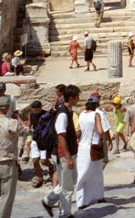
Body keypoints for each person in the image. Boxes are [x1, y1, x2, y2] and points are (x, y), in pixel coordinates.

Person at [42, 84, 81, 217]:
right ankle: (65, 214)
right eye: (77, 97)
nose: (79, 99)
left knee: (70, 181)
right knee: (67, 188)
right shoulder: (63, 114)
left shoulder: (67, 111)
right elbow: (61, 137)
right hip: (64, 155)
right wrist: (68, 157)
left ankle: (49, 200)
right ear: (70, 98)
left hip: (68, 154)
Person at [0, 95, 29, 218]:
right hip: (7, 164)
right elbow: (27, 131)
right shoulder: (12, 123)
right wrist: (18, 118)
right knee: (6, 196)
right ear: (8, 108)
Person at [76, 96, 105, 210]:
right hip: (94, 146)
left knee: (84, 172)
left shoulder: (81, 114)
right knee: (97, 172)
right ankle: (97, 196)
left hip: (83, 146)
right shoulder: (96, 115)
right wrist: (103, 138)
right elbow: (100, 130)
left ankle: (83, 199)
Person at [28, 100, 54, 188]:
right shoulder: (31, 115)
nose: (35, 112)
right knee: (35, 161)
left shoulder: (46, 115)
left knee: (43, 161)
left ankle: (51, 167)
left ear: (40, 108)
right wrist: (29, 139)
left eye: (36, 110)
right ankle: (40, 178)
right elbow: (29, 127)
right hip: (35, 140)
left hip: (44, 141)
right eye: (33, 110)